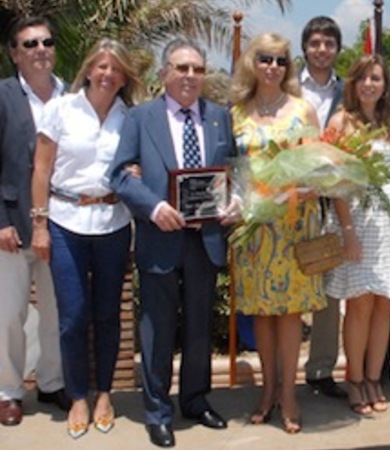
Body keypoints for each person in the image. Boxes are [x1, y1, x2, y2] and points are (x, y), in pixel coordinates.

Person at [109, 38, 236, 447]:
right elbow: (119, 175)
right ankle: (158, 412)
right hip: (159, 238)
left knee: (199, 326)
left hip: (205, 240)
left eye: (197, 69)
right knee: (157, 330)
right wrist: (154, 207)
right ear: (164, 74)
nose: (190, 76)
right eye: (182, 68)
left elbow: (234, 170)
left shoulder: (220, 117)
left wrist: (235, 201)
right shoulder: (140, 118)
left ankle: (196, 401)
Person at [29, 38, 146, 438]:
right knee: (73, 316)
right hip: (65, 223)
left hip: (113, 223)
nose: (108, 74)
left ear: (124, 77)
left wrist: (137, 173)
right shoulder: (60, 109)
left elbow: (140, 165)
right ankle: (78, 395)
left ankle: (105, 395)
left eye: (116, 69)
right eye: (102, 66)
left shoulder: (130, 118)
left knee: (108, 315)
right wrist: (40, 225)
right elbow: (41, 169)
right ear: (89, 70)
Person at [229, 32, 325, 434]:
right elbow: (228, 168)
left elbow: (320, 165)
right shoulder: (236, 112)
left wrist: (304, 186)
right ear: (252, 62)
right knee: (261, 313)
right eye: (265, 59)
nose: (272, 67)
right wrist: (235, 200)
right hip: (253, 228)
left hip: (292, 223)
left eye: (280, 60)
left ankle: (288, 394)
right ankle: (267, 389)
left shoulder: (303, 110)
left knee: (289, 313)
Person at [325, 54, 390, 414]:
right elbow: (334, 183)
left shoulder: (385, 121)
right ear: (353, 83)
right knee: (359, 305)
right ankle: (354, 380)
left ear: (385, 85)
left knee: (383, 305)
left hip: (387, 222)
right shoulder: (340, 122)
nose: (369, 84)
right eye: (363, 78)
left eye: (376, 78)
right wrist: (347, 231)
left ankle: (374, 378)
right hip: (356, 220)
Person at [0, 16, 70, 427]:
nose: (40, 50)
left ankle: (51, 381)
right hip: (11, 225)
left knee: (56, 309)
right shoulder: (3, 96)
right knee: (9, 314)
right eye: (29, 44)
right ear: (14, 53)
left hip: (63, 224)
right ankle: (9, 391)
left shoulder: (73, 95)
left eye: (46, 42)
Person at [299, 16, 348, 399]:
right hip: (287, 198)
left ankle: (320, 368)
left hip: (332, 200)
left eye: (328, 44)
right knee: (286, 282)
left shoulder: (348, 91)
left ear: (337, 49)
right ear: (304, 47)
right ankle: (279, 370)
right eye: (315, 43)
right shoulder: (286, 86)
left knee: (329, 287)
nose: (321, 50)